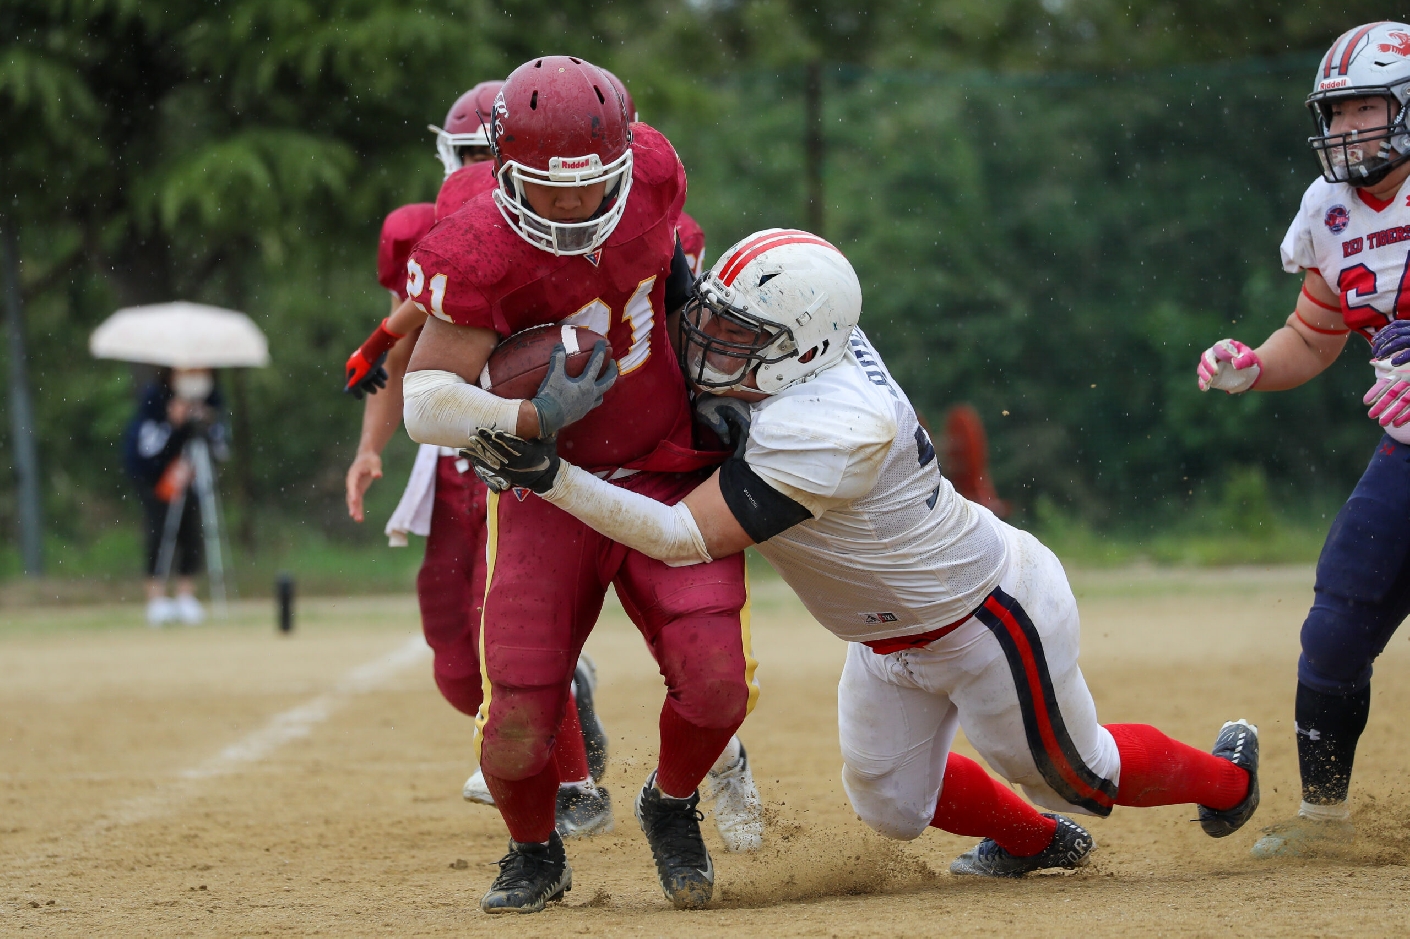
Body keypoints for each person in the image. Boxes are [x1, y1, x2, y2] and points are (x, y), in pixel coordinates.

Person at [464, 229, 1261, 879]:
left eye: (742, 333)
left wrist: (552, 475)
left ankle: (1229, 778)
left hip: (984, 614)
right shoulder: (810, 335)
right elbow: (679, 277)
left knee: (1084, 777)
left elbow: (678, 536)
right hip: (883, 636)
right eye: (719, 317)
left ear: (801, 351)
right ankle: (1034, 842)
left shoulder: (838, 426)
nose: (711, 338)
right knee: (891, 806)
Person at [402, 55, 756, 913]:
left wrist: (712, 382)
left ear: (627, 161)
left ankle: (668, 804)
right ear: (500, 169)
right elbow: (423, 401)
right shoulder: (472, 246)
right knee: (519, 716)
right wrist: (529, 418)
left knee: (718, 688)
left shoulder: (656, 178)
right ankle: (535, 851)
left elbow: (669, 272)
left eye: (591, 183)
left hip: (669, 465)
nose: (570, 204)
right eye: (546, 187)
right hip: (544, 488)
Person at [340, 80, 614, 840]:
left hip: (532, 445)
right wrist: (371, 445)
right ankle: (548, 712)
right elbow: (417, 332)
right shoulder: (439, 229)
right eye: (462, 157)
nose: (472, 174)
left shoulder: (583, 221)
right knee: (454, 659)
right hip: (455, 447)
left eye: (480, 157)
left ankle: (572, 778)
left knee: (508, 624)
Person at [1195, 21, 1410, 859]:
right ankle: (1325, 818)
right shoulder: (1329, 209)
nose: (1349, 128)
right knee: (1336, 621)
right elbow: (1316, 334)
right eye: (1339, 112)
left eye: (1366, 108)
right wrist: (1256, 364)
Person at [123, 367, 227, 626]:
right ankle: (156, 598)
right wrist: (174, 424)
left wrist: (206, 421)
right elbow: (147, 450)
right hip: (158, 480)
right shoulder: (155, 399)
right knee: (159, 533)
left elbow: (221, 448)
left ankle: (185, 595)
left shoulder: (211, 398)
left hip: (191, 477)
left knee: (191, 533)